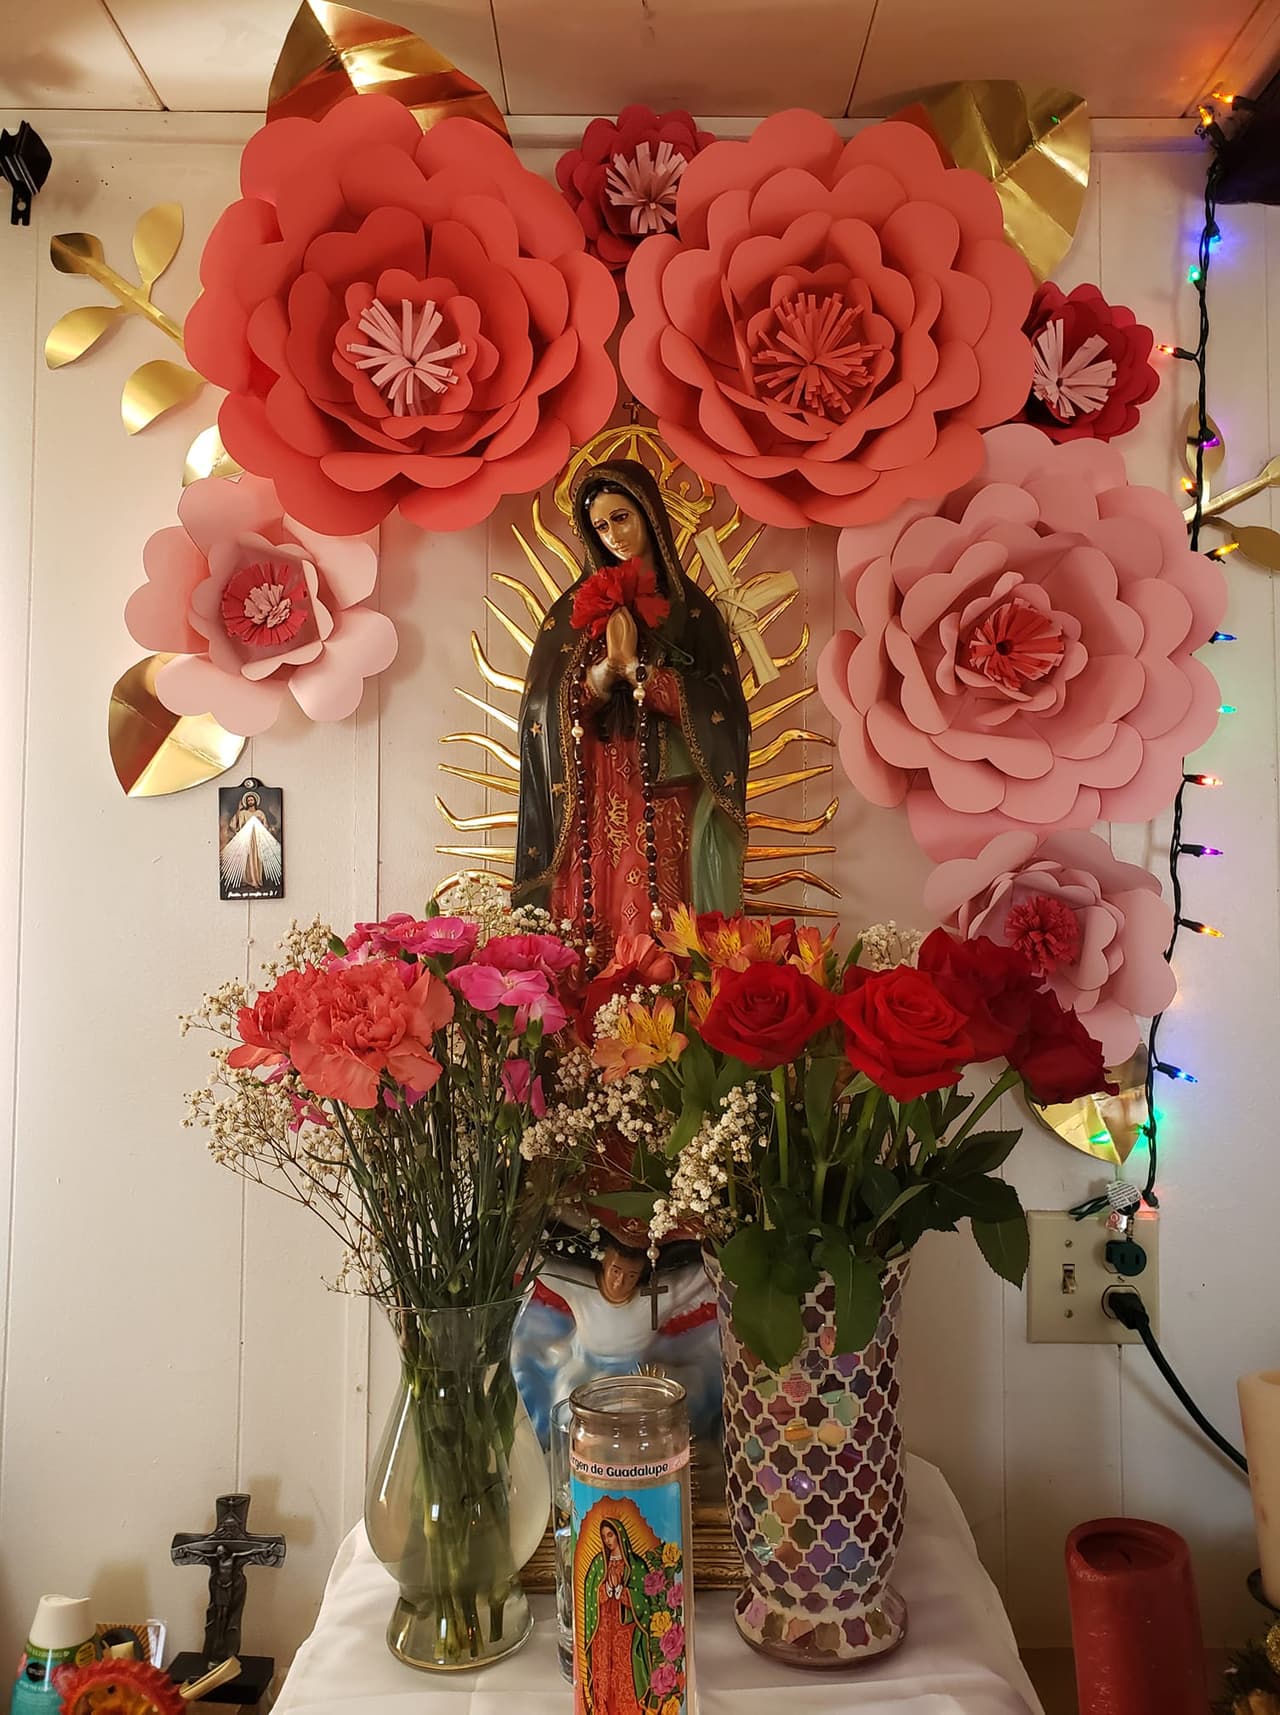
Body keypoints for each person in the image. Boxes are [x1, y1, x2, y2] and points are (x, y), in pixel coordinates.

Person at [513, 459, 748, 963]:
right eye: (600, 525)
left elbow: (722, 710)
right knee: (592, 918)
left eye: (622, 517)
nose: (613, 534)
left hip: (665, 797)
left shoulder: (692, 612)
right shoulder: (572, 611)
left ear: (648, 515)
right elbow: (539, 708)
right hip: (593, 794)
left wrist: (647, 678)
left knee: (663, 921)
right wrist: (598, 679)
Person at [512, 1238, 721, 1448]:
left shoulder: (653, 1298)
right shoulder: (582, 1288)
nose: (620, 1282)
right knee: (566, 1404)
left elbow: (692, 1280)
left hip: (635, 1374)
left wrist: (719, 1254)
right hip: (581, 1367)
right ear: (605, 1263)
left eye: (631, 1276)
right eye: (616, 1271)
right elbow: (545, 1267)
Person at [581, 1518, 652, 1715]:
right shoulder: (598, 1564)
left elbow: (646, 1600)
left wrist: (623, 1592)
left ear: (619, 1534)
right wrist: (604, 1590)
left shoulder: (635, 1565)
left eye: (610, 1535)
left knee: (624, 1674)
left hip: (625, 1630)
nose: (607, 1540)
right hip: (603, 1629)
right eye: (604, 1537)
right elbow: (589, 1594)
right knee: (604, 1672)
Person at [220, 791, 282, 895]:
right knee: (247, 859)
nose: (250, 801)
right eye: (248, 800)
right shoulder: (243, 813)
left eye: (251, 799)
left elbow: (265, 826)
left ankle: (256, 880)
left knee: (257, 859)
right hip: (247, 839)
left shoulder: (260, 813)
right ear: (246, 802)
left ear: (255, 801)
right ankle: (247, 880)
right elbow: (235, 825)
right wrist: (238, 810)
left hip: (257, 839)